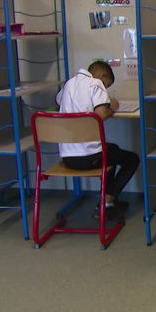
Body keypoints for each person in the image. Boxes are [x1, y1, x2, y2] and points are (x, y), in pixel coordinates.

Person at [56, 61, 140, 222]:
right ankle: (107, 201)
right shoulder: (95, 83)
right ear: (102, 76)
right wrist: (113, 106)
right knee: (132, 159)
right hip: (89, 157)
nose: (105, 89)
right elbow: (100, 114)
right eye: (107, 85)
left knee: (111, 150)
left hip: (68, 157)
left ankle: (109, 201)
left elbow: (59, 101)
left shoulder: (69, 83)